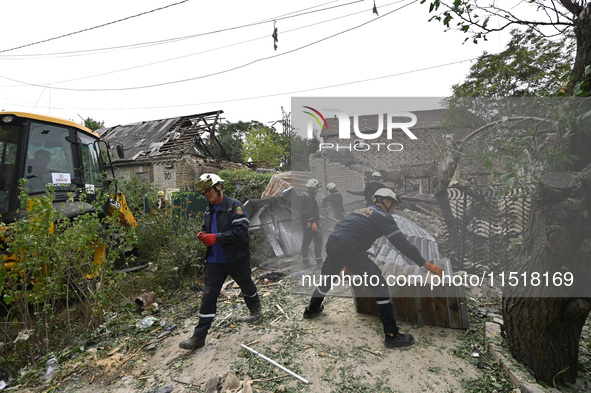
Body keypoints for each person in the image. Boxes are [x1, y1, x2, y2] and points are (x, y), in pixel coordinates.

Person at [302, 188, 443, 349]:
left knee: (328, 280)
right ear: (386, 201)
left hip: (333, 243)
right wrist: (427, 265)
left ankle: (311, 310)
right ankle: (392, 336)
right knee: (381, 286)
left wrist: (347, 263)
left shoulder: (360, 211)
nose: (393, 209)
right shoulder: (384, 216)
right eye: (393, 205)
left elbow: (348, 233)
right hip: (348, 247)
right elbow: (403, 245)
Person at [179, 173, 261, 350]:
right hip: (214, 261)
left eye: (210, 189)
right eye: (205, 191)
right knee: (208, 295)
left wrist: (215, 238)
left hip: (235, 258)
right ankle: (199, 337)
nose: (207, 193)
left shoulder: (235, 207)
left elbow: (240, 232)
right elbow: (208, 228)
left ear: (219, 187)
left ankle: (255, 309)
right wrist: (203, 234)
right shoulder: (209, 209)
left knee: (246, 285)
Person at [300, 178, 323, 269]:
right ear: (312, 188)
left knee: (306, 241)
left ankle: (306, 263)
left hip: (307, 224)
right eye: (316, 189)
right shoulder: (308, 197)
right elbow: (309, 211)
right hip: (311, 223)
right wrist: (313, 222)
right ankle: (319, 263)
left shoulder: (307, 196)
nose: (317, 190)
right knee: (318, 241)